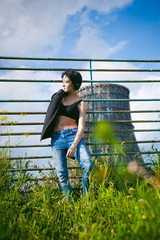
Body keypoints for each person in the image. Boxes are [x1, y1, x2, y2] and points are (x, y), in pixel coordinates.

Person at [40, 69, 93, 200]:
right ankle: (70, 205)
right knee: (62, 174)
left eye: (67, 82)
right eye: (63, 81)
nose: (63, 84)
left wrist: (74, 145)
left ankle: (86, 200)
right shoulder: (58, 97)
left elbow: (81, 127)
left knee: (88, 165)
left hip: (72, 136)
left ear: (75, 83)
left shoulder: (81, 103)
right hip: (57, 138)